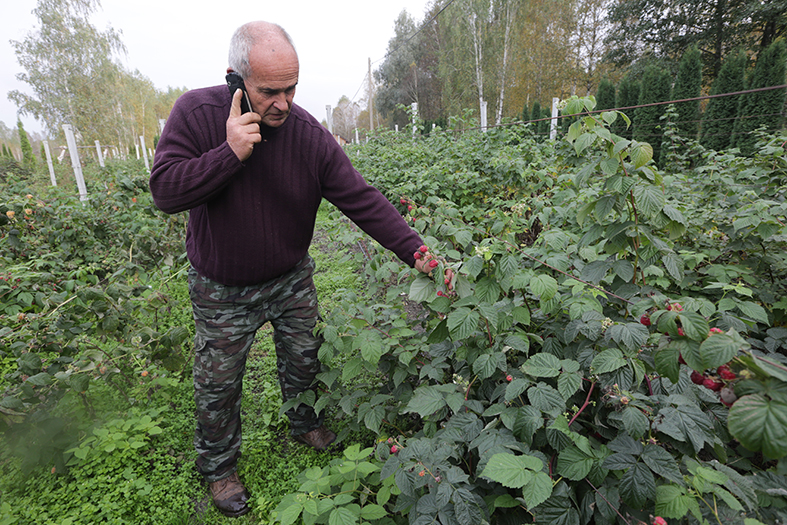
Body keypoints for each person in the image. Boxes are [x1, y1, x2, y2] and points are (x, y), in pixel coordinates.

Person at [149, 21, 446, 518]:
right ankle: (220, 469)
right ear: (234, 79)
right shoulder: (196, 115)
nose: (282, 103)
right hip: (221, 286)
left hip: (289, 278)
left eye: (291, 89)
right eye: (269, 91)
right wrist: (228, 154)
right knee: (219, 382)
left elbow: (362, 199)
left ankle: (304, 422)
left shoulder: (307, 135)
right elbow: (165, 191)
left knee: (304, 358)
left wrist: (421, 254)